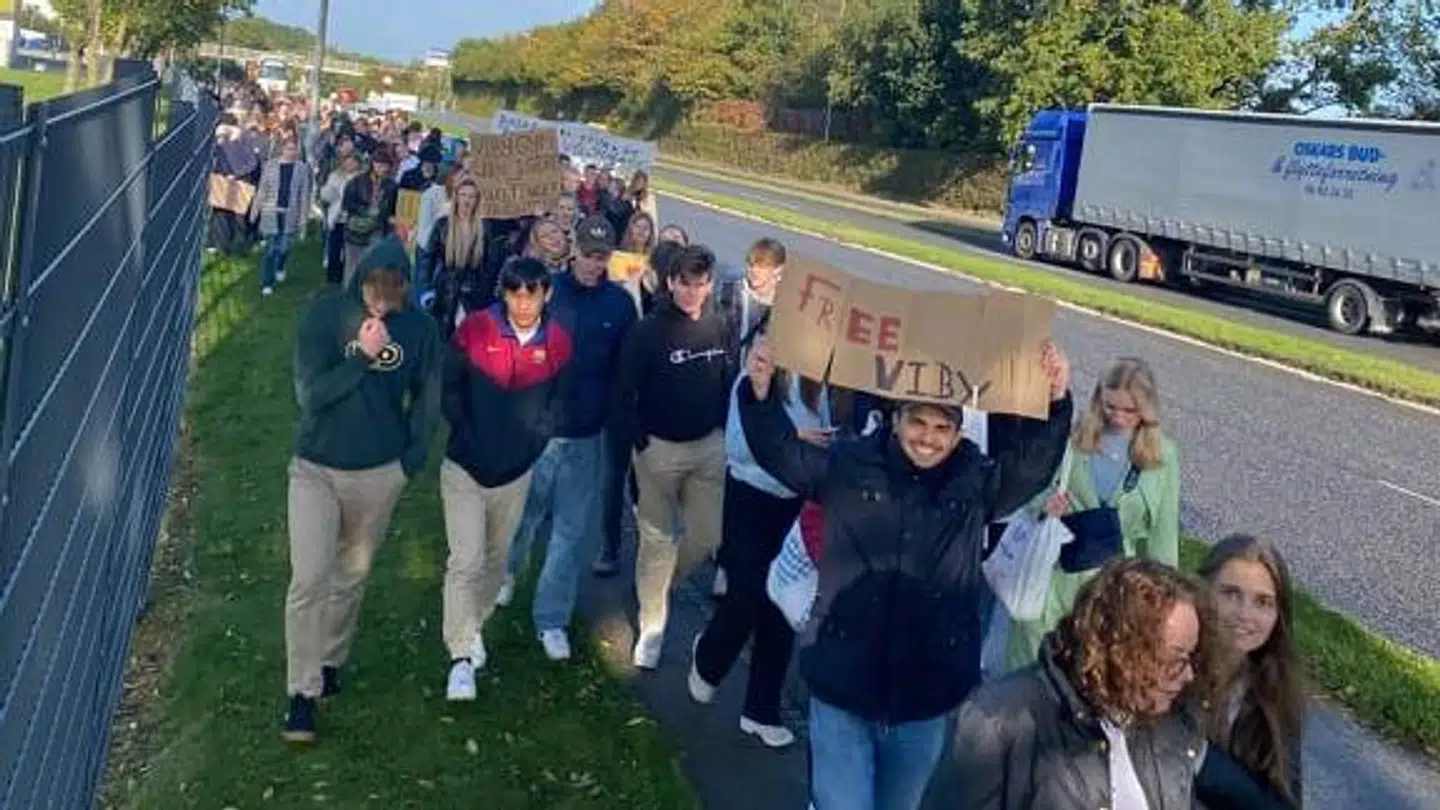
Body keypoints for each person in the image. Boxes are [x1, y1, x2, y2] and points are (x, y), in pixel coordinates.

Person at [738, 335, 1074, 810]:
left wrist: (1056, 400)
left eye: (942, 427)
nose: (928, 438)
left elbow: (1032, 468)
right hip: (844, 681)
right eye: (917, 421)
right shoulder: (849, 464)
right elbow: (782, 455)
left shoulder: (976, 482)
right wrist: (759, 394)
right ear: (895, 419)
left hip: (925, 695)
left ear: (958, 433)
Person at [282, 239, 443, 744]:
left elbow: (429, 395)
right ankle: (301, 693)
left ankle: (330, 660)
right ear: (362, 279)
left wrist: (411, 459)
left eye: (392, 290)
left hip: (378, 472)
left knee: (350, 576)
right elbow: (311, 396)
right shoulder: (325, 317)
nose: (381, 299)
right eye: (375, 287)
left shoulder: (420, 329)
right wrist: (361, 358)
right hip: (316, 468)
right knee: (309, 578)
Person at [936, 558, 1217, 810]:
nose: (1188, 675)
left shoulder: (1163, 723)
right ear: (1121, 647)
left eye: (1191, 657)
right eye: (1175, 659)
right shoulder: (998, 722)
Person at [689, 323, 833, 748]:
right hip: (750, 498)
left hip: (794, 503)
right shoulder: (749, 383)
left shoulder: (817, 388)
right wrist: (792, 439)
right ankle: (709, 658)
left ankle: (761, 709)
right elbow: (738, 448)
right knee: (747, 593)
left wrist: (811, 446)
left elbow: (825, 440)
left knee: (782, 606)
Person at [500, 215, 638, 660]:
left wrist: (617, 421)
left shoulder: (620, 305)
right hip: (538, 428)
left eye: (602, 256)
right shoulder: (548, 291)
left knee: (570, 532)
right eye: (589, 254)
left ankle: (551, 619)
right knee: (524, 516)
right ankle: (506, 572)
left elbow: (624, 370)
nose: (594, 264)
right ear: (574, 250)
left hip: (587, 432)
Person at [439, 257, 574, 700]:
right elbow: (449, 384)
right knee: (466, 561)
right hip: (464, 467)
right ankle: (460, 658)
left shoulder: (557, 342)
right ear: (505, 294)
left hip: (515, 473)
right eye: (515, 294)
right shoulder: (476, 329)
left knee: (495, 564)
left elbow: (558, 402)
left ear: (546, 295)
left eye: (531, 295)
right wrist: (465, 430)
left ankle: (473, 624)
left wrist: (534, 441)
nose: (522, 304)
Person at [1003, 356, 1182, 671]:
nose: (1118, 417)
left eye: (1130, 410)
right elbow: (1034, 490)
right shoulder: (1075, 437)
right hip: (1055, 574)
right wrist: (1045, 507)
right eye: (1111, 406)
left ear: (1146, 409)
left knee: (1094, 674)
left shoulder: (1163, 455)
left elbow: (1163, 536)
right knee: (1032, 669)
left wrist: (1165, 603)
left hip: (1115, 588)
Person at [612, 245, 735, 670]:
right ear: (670, 282)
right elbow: (623, 391)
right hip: (658, 449)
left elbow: (727, 381)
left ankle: (656, 588)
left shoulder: (720, 325)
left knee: (707, 536)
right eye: (685, 283)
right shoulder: (647, 331)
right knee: (657, 541)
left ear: (710, 285)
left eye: (700, 284)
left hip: (708, 447)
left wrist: (722, 432)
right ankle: (652, 626)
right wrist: (640, 443)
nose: (692, 292)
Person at [1196, 535, 1305, 809]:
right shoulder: (1168, 672)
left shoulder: (1276, 692)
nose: (1245, 614)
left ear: (1278, 615)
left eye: (1263, 602)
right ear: (1201, 592)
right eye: (1231, 594)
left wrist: (1201, 757)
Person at [426, 176, 495, 341]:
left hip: (472, 290)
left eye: (471, 196)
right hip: (445, 287)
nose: (467, 200)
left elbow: (489, 264)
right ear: (456, 197)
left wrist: (483, 292)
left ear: (477, 200)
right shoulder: (442, 225)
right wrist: (426, 288)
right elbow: (428, 259)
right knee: (441, 334)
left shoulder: (484, 227)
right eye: (463, 195)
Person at [249, 137, 313, 296]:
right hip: (271, 211)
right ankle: (267, 282)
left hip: (290, 213)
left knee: (284, 247)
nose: (292, 152)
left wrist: (303, 219)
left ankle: (280, 266)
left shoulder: (302, 168)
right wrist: (255, 210)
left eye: (294, 149)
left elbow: (304, 195)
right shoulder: (270, 166)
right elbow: (262, 189)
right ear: (282, 149)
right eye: (289, 148)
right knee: (271, 249)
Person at [342, 149, 399, 284]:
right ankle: (350, 292)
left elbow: (393, 209)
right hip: (356, 228)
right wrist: (365, 211)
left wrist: (386, 218)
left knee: (373, 265)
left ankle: (368, 293)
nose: (382, 168)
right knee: (353, 265)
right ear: (372, 164)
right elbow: (347, 203)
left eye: (385, 165)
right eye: (379, 164)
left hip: (378, 229)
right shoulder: (356, 181)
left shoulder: (392, 186)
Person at [317, 151, 362, 286]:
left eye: (353, 162)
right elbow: (326, 196)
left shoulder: (361, 178)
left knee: (350, 249)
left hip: (353, 218)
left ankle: (349, 274)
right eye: (347, 161)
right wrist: (329, 191)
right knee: (334, 247)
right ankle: (333, 276)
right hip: (337, 217)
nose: (350, 164)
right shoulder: (335, 176)